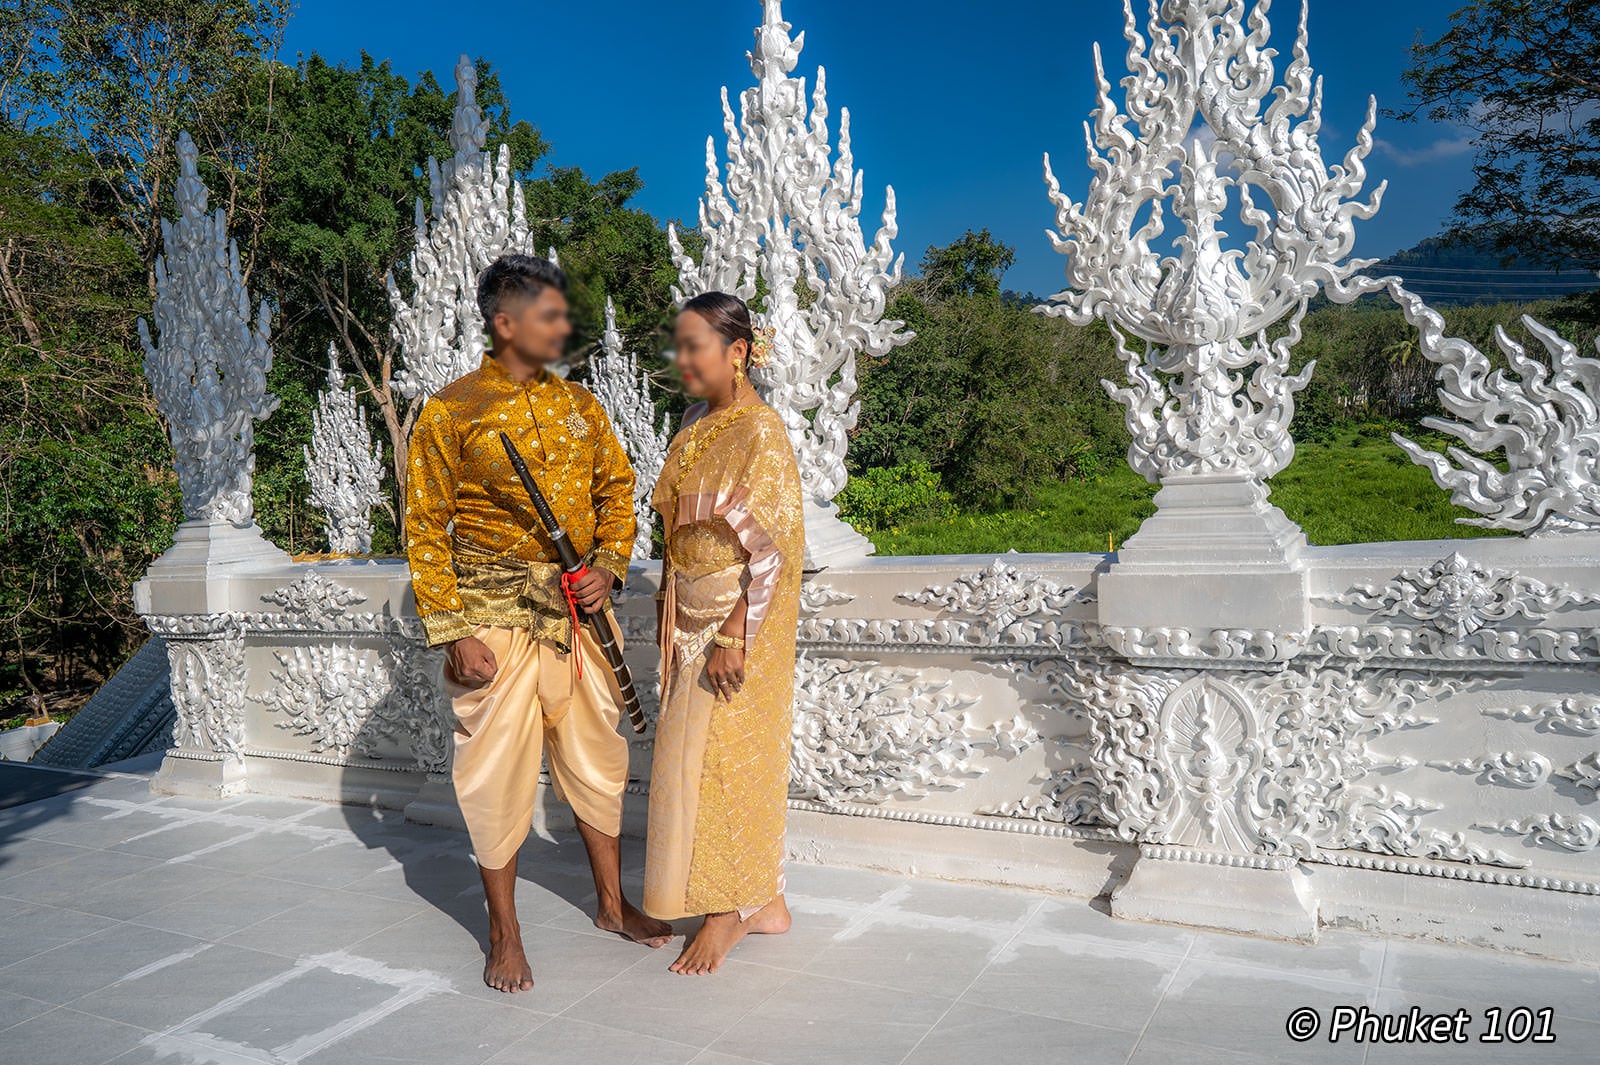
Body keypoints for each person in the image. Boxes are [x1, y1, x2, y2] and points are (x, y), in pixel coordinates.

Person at [406, 254, 672, 994]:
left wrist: (610, 566)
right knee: (496, 775)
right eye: (549, 313)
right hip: (491, 616)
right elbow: (425, 528)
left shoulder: (582, 406)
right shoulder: (449, 411)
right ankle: (504, 929)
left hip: (579, 612)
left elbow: (617, 491)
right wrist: (453, 629)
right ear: (504, 322)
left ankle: (614, 906)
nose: (562, 326)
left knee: (596, 759)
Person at [644, 291, 805, 975]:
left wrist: (737, 632)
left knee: (723, 763)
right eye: (677, 347)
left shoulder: (761, 431)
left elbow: (774, 547)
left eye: (694, 347)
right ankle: (763, 903)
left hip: (742, 620)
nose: (682, 360)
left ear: (737, 352)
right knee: (687, 764)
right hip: (687, 618)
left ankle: (726, 914)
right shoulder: (691, 424)